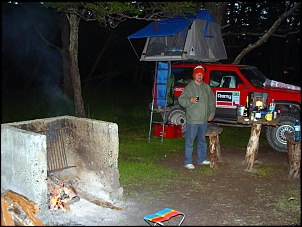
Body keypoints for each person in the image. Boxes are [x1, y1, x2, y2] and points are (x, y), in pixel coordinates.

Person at [178, 65, 216, 170]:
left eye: (201, 74)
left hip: (204, 120)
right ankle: (188, 161)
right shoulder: (189, 87)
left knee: (202, 141)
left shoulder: (206, 87)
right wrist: (190, 101)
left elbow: (212, 102)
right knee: (190, 141)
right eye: (197, 74)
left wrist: (211, 114)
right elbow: (181, 100)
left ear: (203, 76)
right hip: (193, 120)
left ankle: (201, 159)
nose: (199, 76)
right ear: (194, 75)